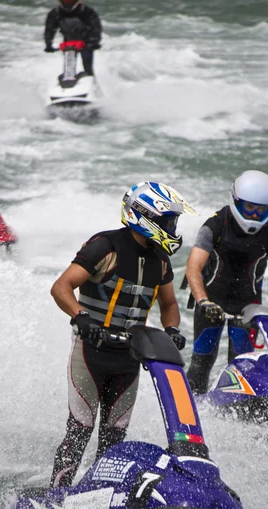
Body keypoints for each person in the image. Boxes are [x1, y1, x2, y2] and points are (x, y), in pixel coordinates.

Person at [49, 181, 198, 488]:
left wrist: (172, 330)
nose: (173, 228)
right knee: (80, 430)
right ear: (144, 217)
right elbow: (61, 287)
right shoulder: (105, 246)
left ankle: (98, 495)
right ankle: (56, 494)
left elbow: (169, 304)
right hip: (90, 353)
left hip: (129, 358)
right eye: (168, 221)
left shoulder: (160, 260)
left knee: (114, 438)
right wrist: (82, 317)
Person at [184, 169, 268, 395]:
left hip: (247, 309)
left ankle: (238, 416)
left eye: (262, 210)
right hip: (211, 304)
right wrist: (203, 301)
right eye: (250, 207)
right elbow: (193, 266)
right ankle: (194, 413)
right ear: (236, 201)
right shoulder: (215, 225)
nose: (255, 215)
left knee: (242, 366)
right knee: (201, 363)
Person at [44, 0, 102, 76]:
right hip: (68, 42)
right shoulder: (55, 13)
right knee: (69, 69)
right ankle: (68, 80)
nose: (67, 4)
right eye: (64, 1)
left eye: (70, 1)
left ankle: (89, 76)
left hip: (86, 42)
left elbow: (96, 27)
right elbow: (49, 29)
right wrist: (48, 44)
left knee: (87, 63)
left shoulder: (86, 10)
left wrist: (94, 41)